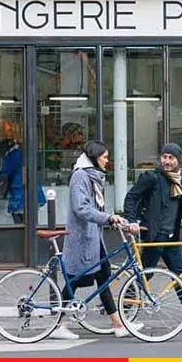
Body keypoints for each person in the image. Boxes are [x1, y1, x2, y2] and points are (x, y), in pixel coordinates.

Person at [50, 140, 143, 340]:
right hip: (82, 238)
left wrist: (118, 220)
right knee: (74, 279)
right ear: (94, 157)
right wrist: (107, 218)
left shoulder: (91, 176)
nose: (108, 161)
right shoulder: (80, 176)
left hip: (92, 237)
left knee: (103, 277)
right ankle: (59, 325)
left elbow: (94, 208)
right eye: (105, 157)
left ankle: (118, 324)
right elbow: (81, 208)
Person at [123, 143, 182, 320]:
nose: (167, 161)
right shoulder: (152, 178)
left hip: (171, 235)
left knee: (179, 273)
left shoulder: (178, 179)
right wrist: (131, 220)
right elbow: (131, 197)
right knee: (145, 274)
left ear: (178, 160)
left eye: (171, 158)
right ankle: (121, 310)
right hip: (155, 234)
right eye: (164, 157)